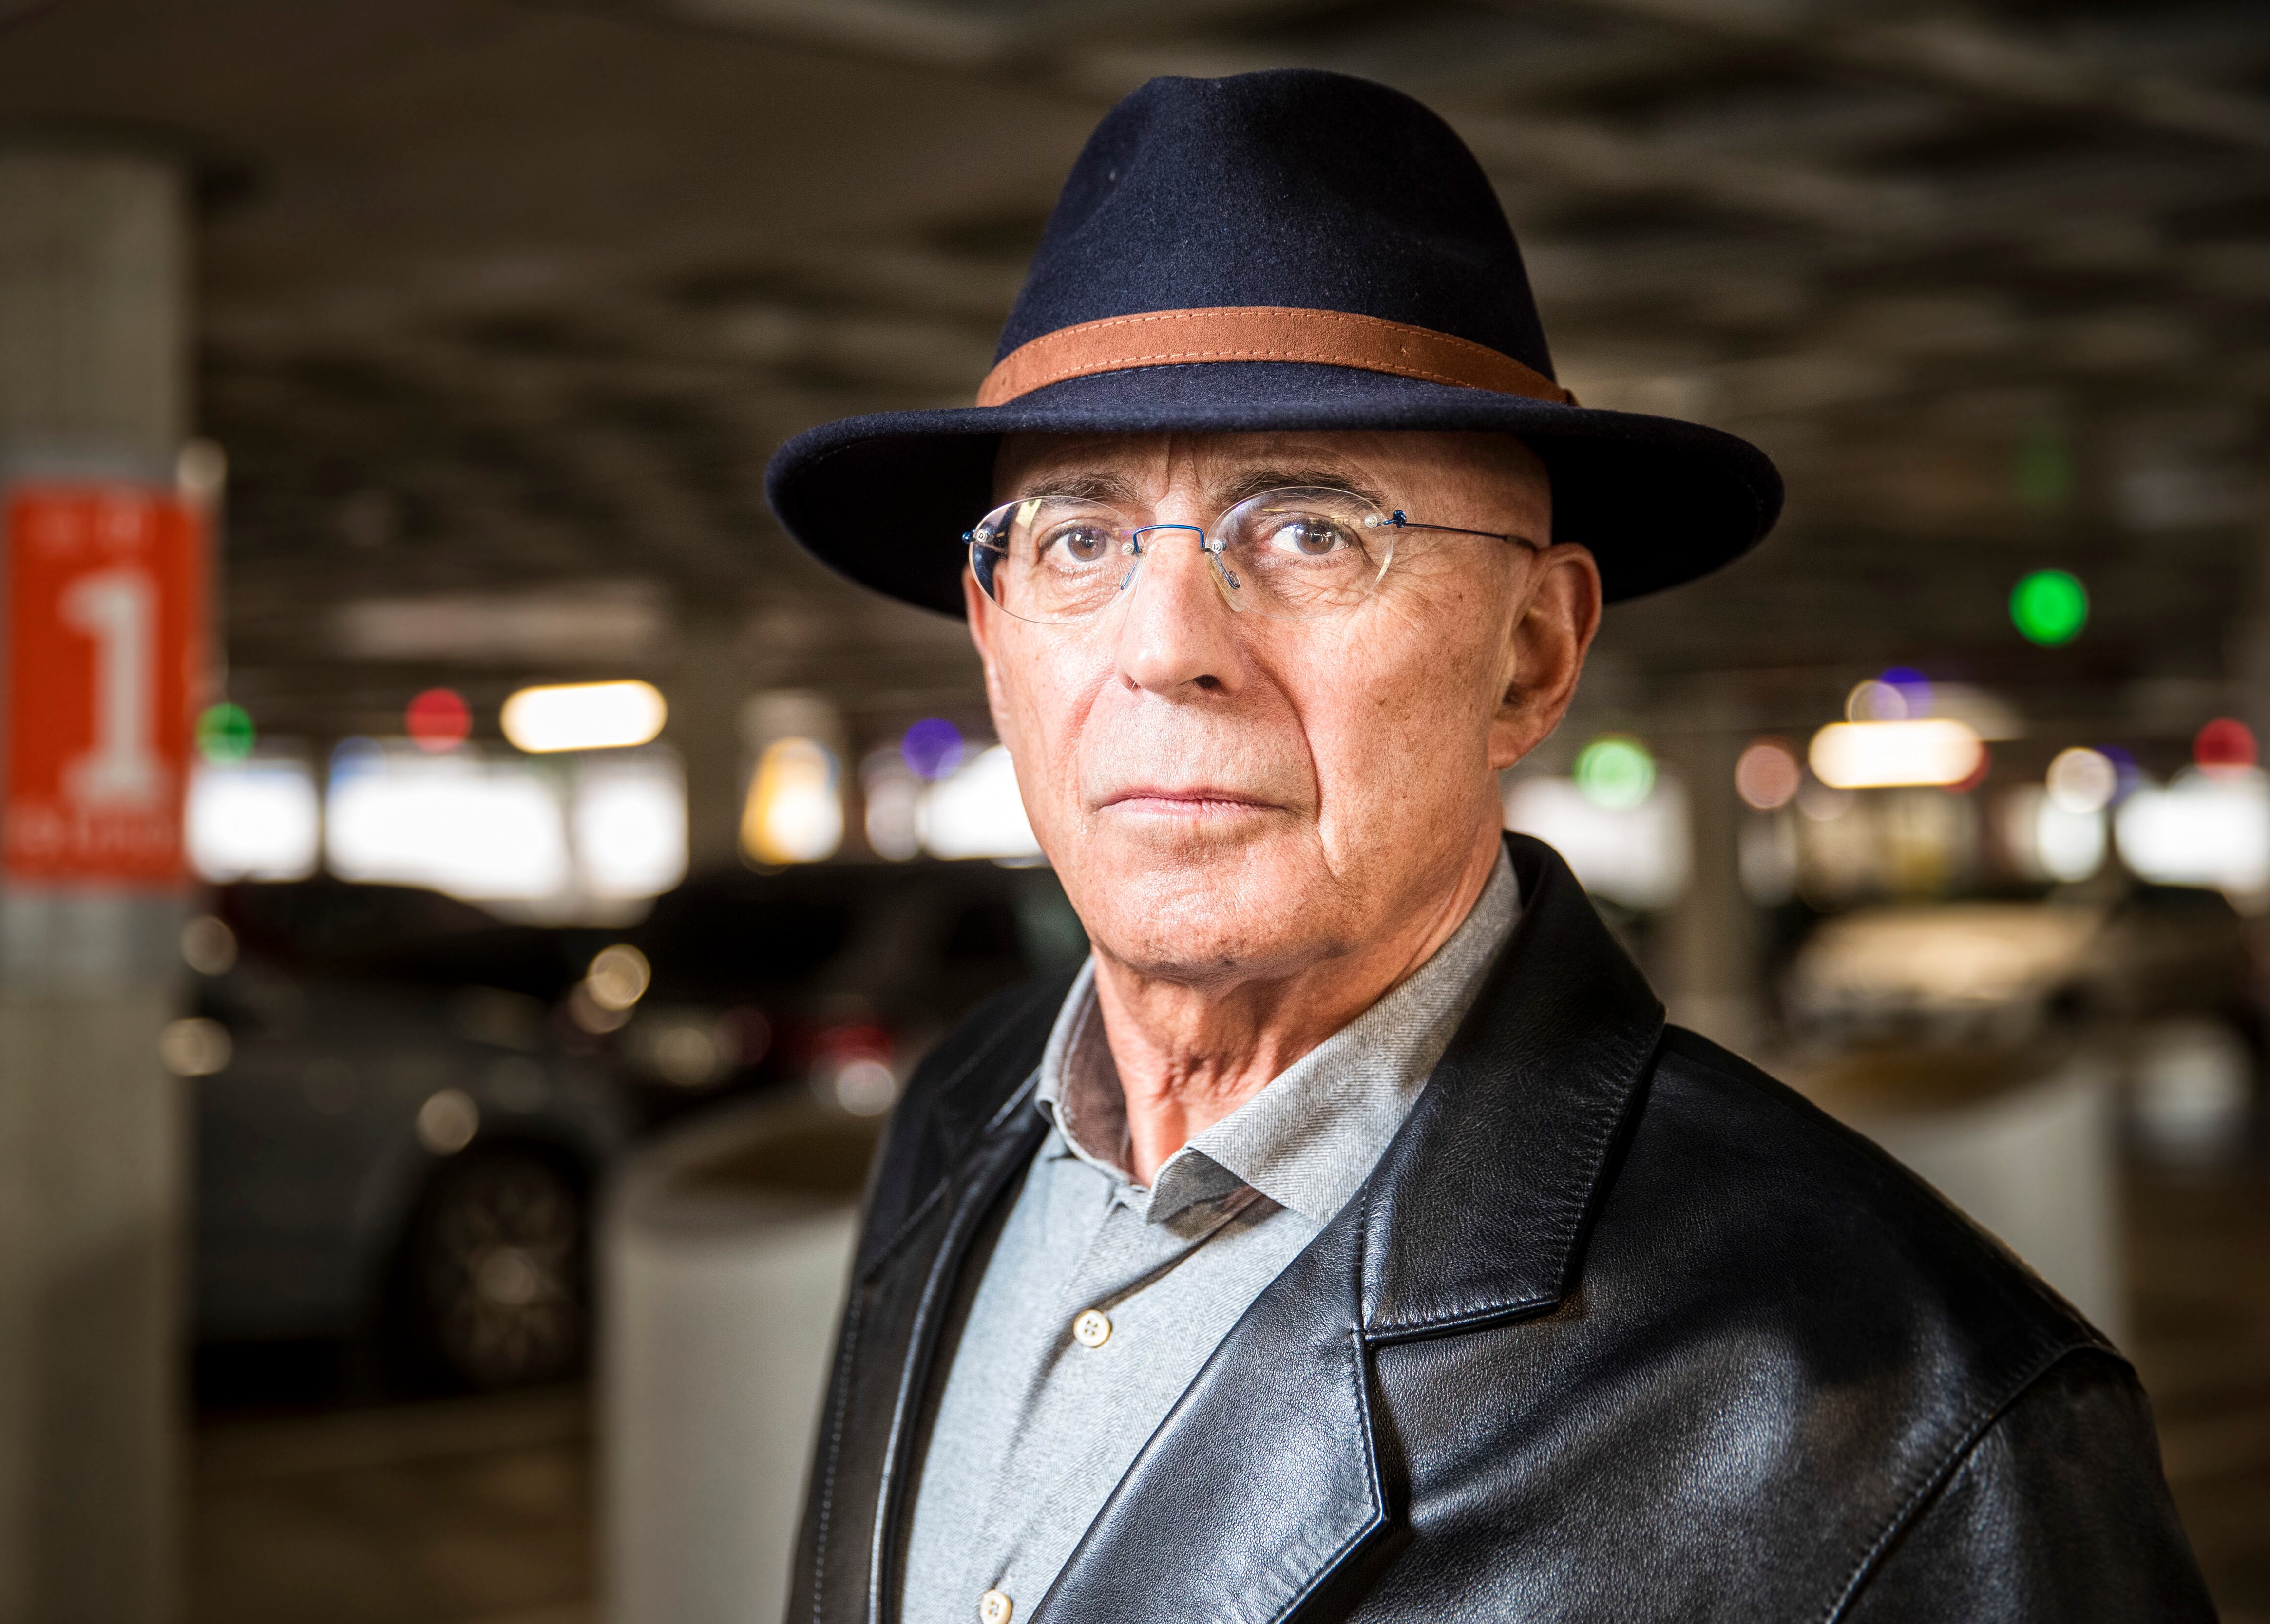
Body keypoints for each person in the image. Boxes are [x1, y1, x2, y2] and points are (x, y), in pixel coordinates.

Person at [762, 68, 2211, 1624]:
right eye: (1079, 539)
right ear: (995, 639)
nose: (1164, 647)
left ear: (1531, 650)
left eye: (1312, 527)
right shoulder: (960, 1118)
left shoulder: (1909, 1410)